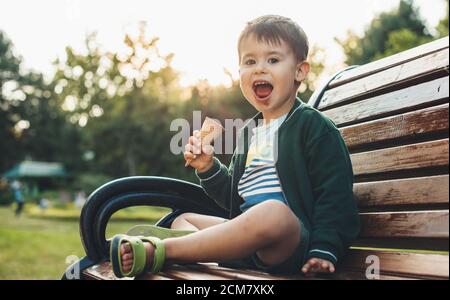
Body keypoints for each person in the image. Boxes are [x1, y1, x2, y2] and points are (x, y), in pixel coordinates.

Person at [111, 15, 360, 278]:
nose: (259, 69)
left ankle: (161, 251)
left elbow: (335, 197)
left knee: (274, 213)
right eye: (249, 61)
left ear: (300, 70)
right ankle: (186, 250)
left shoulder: (313, 126)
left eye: (273, 60)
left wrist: (323, 250)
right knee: (184, 219)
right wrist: (208, 167)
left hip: (291, 244)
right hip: (246, 242)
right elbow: (234, 198)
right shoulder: (248, 133)